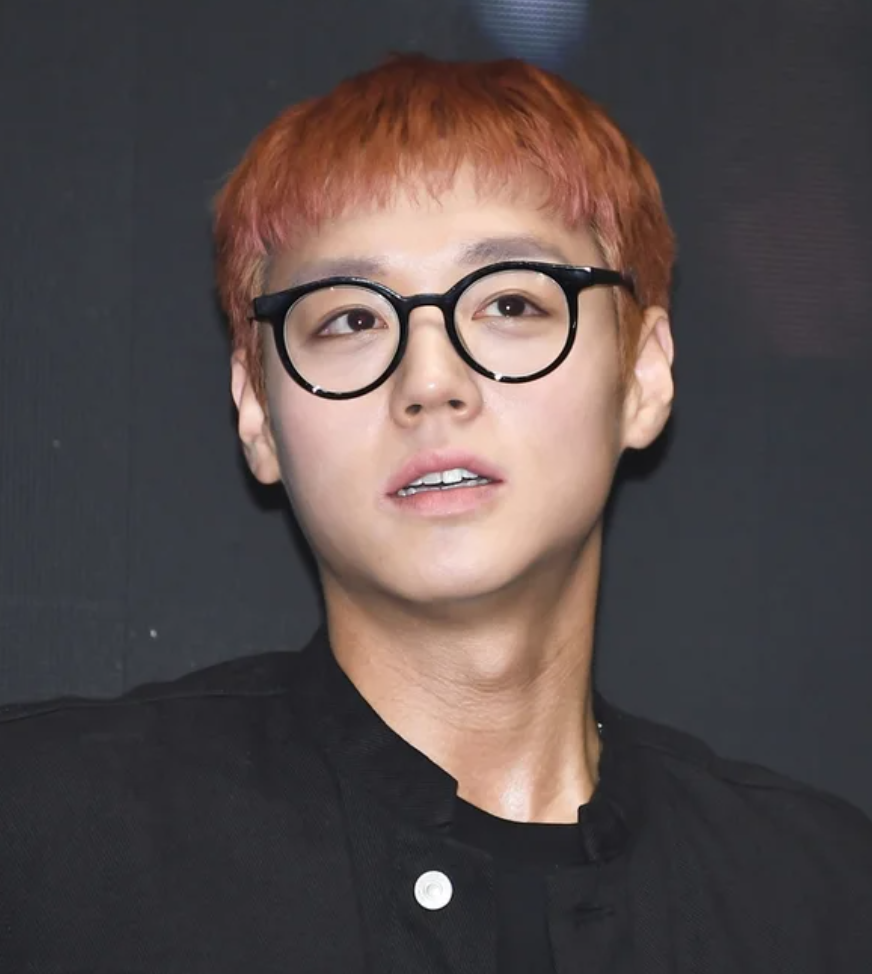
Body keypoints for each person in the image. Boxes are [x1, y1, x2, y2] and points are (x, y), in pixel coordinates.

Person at [1, 54, 870, 974]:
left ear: (643, 377)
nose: (429, 381)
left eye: (509, 302)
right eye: (349, 320)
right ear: (257, 412)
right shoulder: (47, 844)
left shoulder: (818, 902)